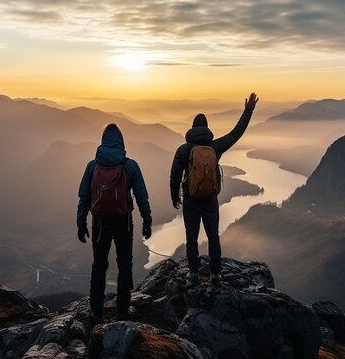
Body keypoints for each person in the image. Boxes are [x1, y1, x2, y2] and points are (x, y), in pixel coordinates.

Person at [170, 93, 259, 285]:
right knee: (213, 235)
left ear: (192, 129)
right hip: (210, 198)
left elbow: (175, 175)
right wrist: (248, 111)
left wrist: (174, 196)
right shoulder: (215, 146)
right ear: (207, 128)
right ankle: (216, 274)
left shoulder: (183, 150)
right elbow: (236, 133)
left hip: (191, 198)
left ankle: (193, 274)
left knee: (191, 236)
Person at [77, 123, 152, 323]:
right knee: (124, 264)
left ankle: (96, 313)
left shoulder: (93, 166)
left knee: (99, 266)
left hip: (100, 222)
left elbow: (84, 196)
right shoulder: (130, 166)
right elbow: (141, 196)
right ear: (121, 142)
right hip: (123, 221)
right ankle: (122, 311)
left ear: (103, 141)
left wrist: (81, 223)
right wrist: (147, 220)